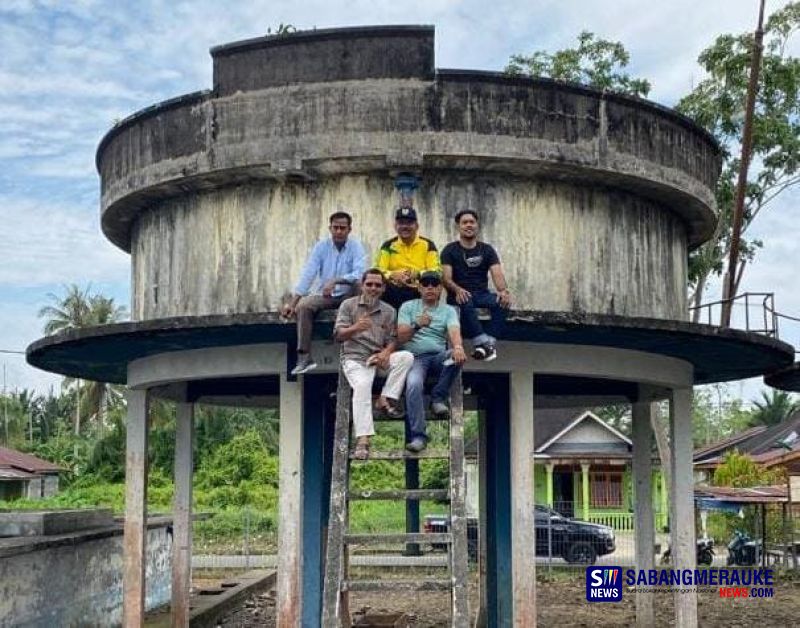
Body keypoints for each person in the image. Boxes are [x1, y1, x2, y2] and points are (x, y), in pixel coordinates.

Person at [335, 268, 414, 460]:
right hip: (355, 358)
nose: (373, 288)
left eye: (377, 285)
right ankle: (363, 439)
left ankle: (385, 397)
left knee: (406, 357)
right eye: (369, 284)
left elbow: (393, 339)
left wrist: (386, 353)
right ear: (362, 286)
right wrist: (355, 328)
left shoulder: (389, 311)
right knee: (362, 386)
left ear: (383, 288)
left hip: (377, 358)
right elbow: (338, 335)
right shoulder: (348, 305)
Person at [282, 211, 367, 375]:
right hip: (327, 296)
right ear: (330, 228)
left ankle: (360, 345)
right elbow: (308, 274)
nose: (339, 231)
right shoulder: (321, 247)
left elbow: (359, 273)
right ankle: (304, 357)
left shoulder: (356, 247)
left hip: (350, 295)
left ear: (349, 229)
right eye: (336, 228)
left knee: (359, 284)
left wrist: (336, 280)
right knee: (304, 306)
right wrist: (293, 303)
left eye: (343, 228)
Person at [397, 271, 467, 452]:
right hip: (415, 359)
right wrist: (418, 324)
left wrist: (458, 347)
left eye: (434, 284)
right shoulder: (407, 307)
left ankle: (438, 397)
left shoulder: (448, 310)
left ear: (440, 289)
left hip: (437, 357)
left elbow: (454, 331)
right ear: (419, 288)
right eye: (425, 284)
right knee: (413, 385)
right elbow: (400, 337)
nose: (430, 287)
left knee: (456, 356)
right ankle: (419, 436)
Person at [440, 209, 512, 362]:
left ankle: (487, 345)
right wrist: (457, 289)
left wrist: (504, 291)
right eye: (464, 222)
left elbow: (497, 273)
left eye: (471, 222)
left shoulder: (487, 250)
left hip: (481, 295)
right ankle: (483, 343)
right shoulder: (450, 250)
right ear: (458, 227)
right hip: (458, 296)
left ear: (477, 225)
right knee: (465, 298)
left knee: (503, 302)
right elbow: (446, 278)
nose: (468, 225)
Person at [375, 206, 441, 309]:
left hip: (418, 289)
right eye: (401, 223)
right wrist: (392, 274)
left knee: (431, 285)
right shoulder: (388, 246)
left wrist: (417, 274)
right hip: (394, 289)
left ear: (417, 226)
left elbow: (436, 271)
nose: (405, 226)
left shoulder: (428, 245)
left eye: (409, 223)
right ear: (395, 226)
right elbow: (378, 270)